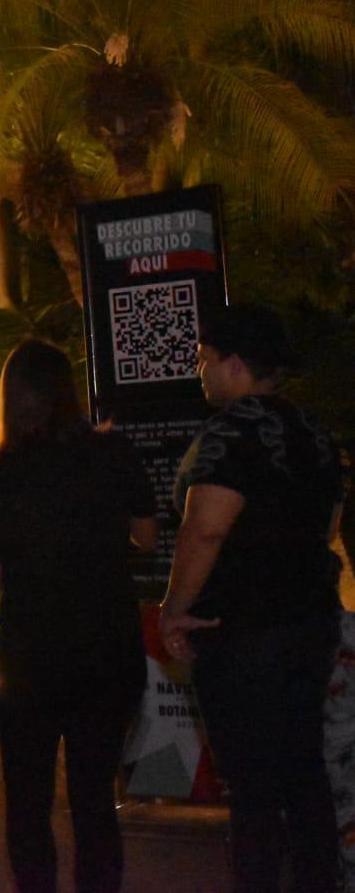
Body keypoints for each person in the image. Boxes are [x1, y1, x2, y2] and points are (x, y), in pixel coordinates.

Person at [0, 340, 158, 893]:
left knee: (28, 802)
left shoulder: (3, 478)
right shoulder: (115, 456)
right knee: (94, 801)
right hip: (109, 649)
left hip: (33, 659)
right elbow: (147, 535)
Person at [161, 305, 345, 892]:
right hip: (313, 622)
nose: (200, 372)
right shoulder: (316, 433)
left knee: (253, 785)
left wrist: (174, 610)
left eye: (204, 360)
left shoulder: (228, 435)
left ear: (235, 365)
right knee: (305, 769)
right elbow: (332, 519)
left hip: (244, 631)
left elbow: (206, 529)